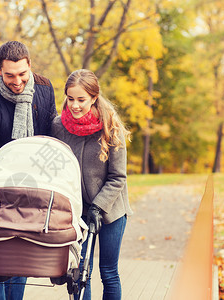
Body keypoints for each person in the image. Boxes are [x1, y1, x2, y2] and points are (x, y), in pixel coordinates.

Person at [0, 41, 57, 300]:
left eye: (22, 73)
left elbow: (48, 139)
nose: (17, 81)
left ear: (29, 65)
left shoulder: (44, 87)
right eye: (9, 75)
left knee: (21, 256)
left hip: (34, 187)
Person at [51, 69, 133, 300]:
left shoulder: (111, 127)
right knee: (78, 274)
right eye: (70, 99)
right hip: (77, 212)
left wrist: (98, 207)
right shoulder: (58, 126)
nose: (74, 106)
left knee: (108, 272)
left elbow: (118, 177)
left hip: (111, 211)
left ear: (94, 98)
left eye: (81, 100)